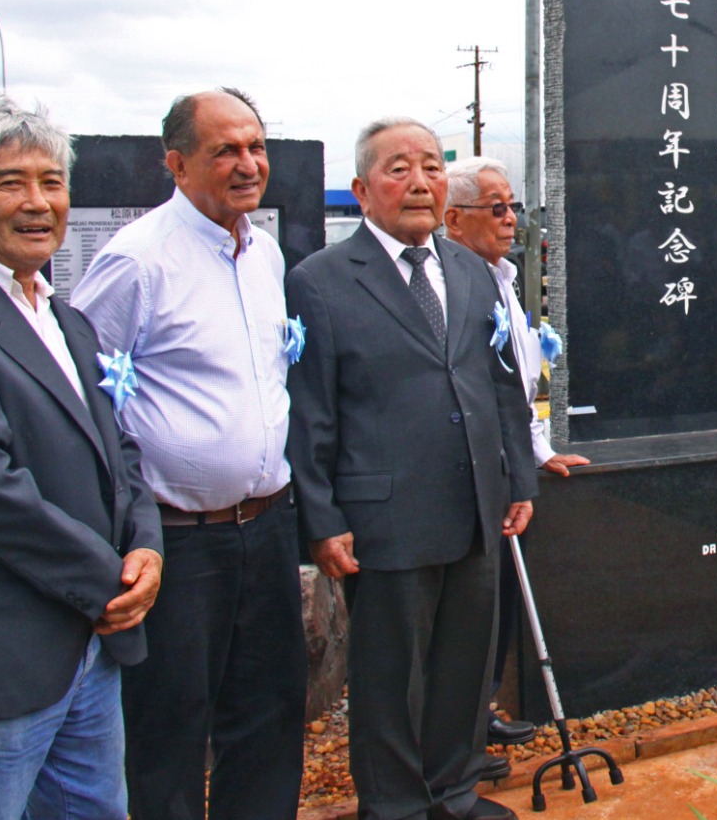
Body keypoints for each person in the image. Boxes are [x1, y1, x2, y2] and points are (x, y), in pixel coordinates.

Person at [0, 97, 162, 819]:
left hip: (87, 649)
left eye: (51, 181)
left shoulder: (64, 315)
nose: (37, 202)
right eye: (10, 182)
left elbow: (119, 451)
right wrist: (111, 581)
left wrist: (145, 543)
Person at [287, 119, 538, 820]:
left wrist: (518, 474)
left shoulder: (466, 267)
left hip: (474, 509)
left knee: (463, 670)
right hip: (384, 518)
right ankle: (395, 807)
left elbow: (499, 380)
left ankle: (453, 795)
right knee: (391, 682)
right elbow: (310, 413)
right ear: (364, 190)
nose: (420, 180)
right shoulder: (321, 281)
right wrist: (322, 518)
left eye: (431, 165)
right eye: (399, 168)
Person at [73, 88, 306, 820]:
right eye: (225, 151)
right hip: (179, 541)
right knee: (169, 730)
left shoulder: (263, 251)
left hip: (267, 526)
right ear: (176, 164)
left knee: (268, 717)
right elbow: (83, 394)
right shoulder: (137, 260)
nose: (248, 164)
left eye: (256, 146)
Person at [443, 156, 589, 779]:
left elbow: (517, 386)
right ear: (453, 219)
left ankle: (479, 716)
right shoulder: (453, 284)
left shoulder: (503, 276)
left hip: (508, 468)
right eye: (496, 208)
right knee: (462, 618)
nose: (512, 221)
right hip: (467, 477)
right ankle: (457, 738)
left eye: (513, 207)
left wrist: (539, 452)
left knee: (495, 608)